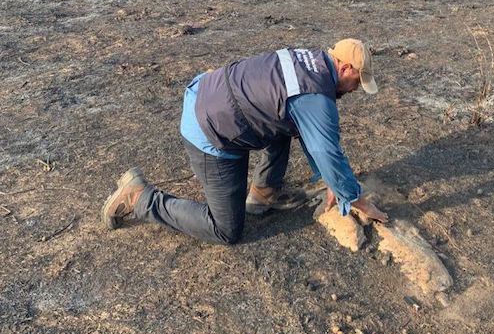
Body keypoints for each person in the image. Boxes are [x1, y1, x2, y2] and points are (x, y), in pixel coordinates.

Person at [101, 38, 388, 245]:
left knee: (285, 120)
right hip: (209, 128)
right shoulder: (315, 97)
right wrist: (354, 197)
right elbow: (327, 150)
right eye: (358, 82)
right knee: (225, 230)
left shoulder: (307, 60)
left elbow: (309, 131)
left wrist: (332, 181)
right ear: (346, 68)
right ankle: (141, 198)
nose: (355, 89)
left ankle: (264, 193)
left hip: (208, 92)